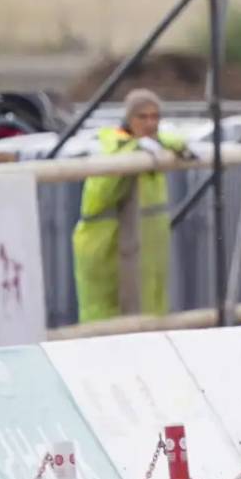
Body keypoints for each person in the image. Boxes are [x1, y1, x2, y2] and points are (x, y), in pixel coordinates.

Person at [71, 88, 191, 323]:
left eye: (155, 117)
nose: (150, 123)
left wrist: (174, 146)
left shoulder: (155, 149)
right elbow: (103, 189)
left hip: (146, 249)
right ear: (128, 119)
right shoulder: (111, 148)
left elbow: (169, 141)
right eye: (142, 117)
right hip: (104, 247)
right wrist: (138, 149)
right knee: (103, 314)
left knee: (153, 308)